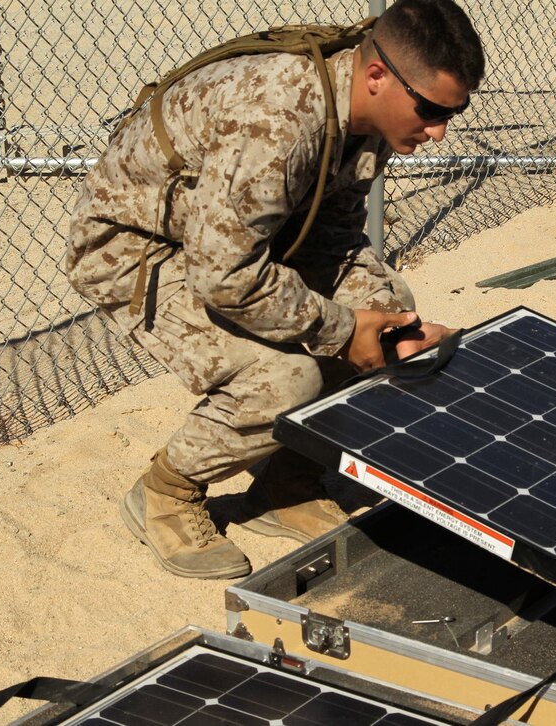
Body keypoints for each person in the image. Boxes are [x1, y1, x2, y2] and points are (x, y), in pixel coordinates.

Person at [64, 0, 485, 579]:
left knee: (389, 313)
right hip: (137, 249)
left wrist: (383, 326)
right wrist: (339, 332)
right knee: (285, 377)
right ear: (377, 76)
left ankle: (285, 481)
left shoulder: (368, 116)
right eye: (431, 109)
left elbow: (330, 232)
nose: (439, 131)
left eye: (452, 113)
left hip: (228, 244)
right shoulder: (280, 118)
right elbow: (223, 276)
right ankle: (166, 492)